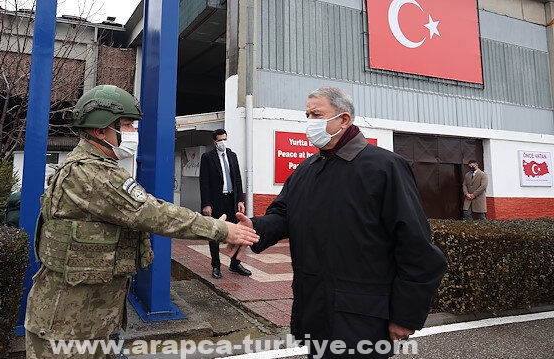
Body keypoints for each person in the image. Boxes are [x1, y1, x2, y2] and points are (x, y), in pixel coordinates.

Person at [24, 85, 258, 359]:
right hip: (70, 329)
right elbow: (154, 214)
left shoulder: (87, 166)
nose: (132, 133)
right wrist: (221, 229)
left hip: (86, 320)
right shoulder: (93, 174)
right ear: (100, 131)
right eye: (126, 125)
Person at [235, 87, 447, 358]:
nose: (309, 122)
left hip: (363, 318)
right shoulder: (306, 169)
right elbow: (284, 214)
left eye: (316, 114)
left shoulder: (384, 167)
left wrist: (406, 315)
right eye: (307, 114)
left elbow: (417, 248)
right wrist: (255, 229)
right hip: (314, 309)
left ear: (344, 119)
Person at [199, 129, 252, 279]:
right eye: (220, 140)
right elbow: (204, 182)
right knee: (214, 233)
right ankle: (216, 266)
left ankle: (235, 263)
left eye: (225, 139)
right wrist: (206, 204)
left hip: (231, 200)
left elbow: (237, 179)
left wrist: (240, 200)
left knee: (238, 231)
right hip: (216, 201)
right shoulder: (207, 157)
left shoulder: (232, 156)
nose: (223, 142)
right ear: (214, 142)